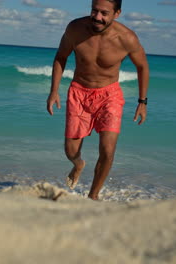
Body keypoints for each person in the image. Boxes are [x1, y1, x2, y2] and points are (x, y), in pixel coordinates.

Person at [46, 0, 149, 200]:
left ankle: (93, 195)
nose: (98, 17)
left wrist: (142, 102)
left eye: (104, 13)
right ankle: (78, 165)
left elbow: (142, 66)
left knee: (108, 149)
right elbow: (61, 56)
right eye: (95, 11)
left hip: (109, 94)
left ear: (117, 13)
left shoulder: (126, 38)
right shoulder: (75, 28)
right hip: (79, 92)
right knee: (70, 151)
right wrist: (54, 91)